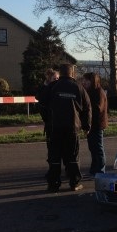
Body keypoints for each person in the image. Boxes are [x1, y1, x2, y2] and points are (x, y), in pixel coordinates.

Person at [44, 64, 91, 192]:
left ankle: (53, 184)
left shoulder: (53, 87)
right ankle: (74, 183)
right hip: (72, 127)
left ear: (61, 73)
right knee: (72, 156)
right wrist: (87, 126)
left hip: (55, 127)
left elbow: (42, 102)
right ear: (72, 73)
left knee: (54, 157)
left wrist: (47, 120)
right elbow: (87, 108)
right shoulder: (78, 87)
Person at [81, 72, 109, 177]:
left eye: (86, 80)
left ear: (92, 81)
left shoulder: (98, 92)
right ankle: (94, 170)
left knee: (98, 149)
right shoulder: (90, 91)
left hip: (97, 125)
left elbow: (97, 109)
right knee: (93, 148)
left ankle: (100, 170)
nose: (84, 82)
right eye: (84, 80)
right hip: (91, 125)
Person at [35, 67, 59, 161]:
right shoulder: (46, 90)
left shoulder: (59, 89)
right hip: (50, 122)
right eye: (54, 79)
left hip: (59, 122)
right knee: (51, 147)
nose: (57, 81)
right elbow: (39, 98)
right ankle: (53, 165)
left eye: (58, 79)